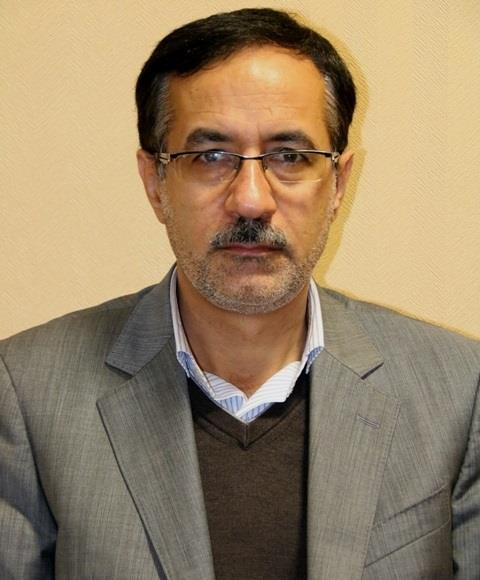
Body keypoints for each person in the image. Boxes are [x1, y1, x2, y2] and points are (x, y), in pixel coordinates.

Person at [0, 7, 479, 579]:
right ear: (155, 183)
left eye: (290, 157)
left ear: (338, 183)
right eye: (210, 157)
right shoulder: (27, 393)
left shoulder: (458, 390)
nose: (251, 200)